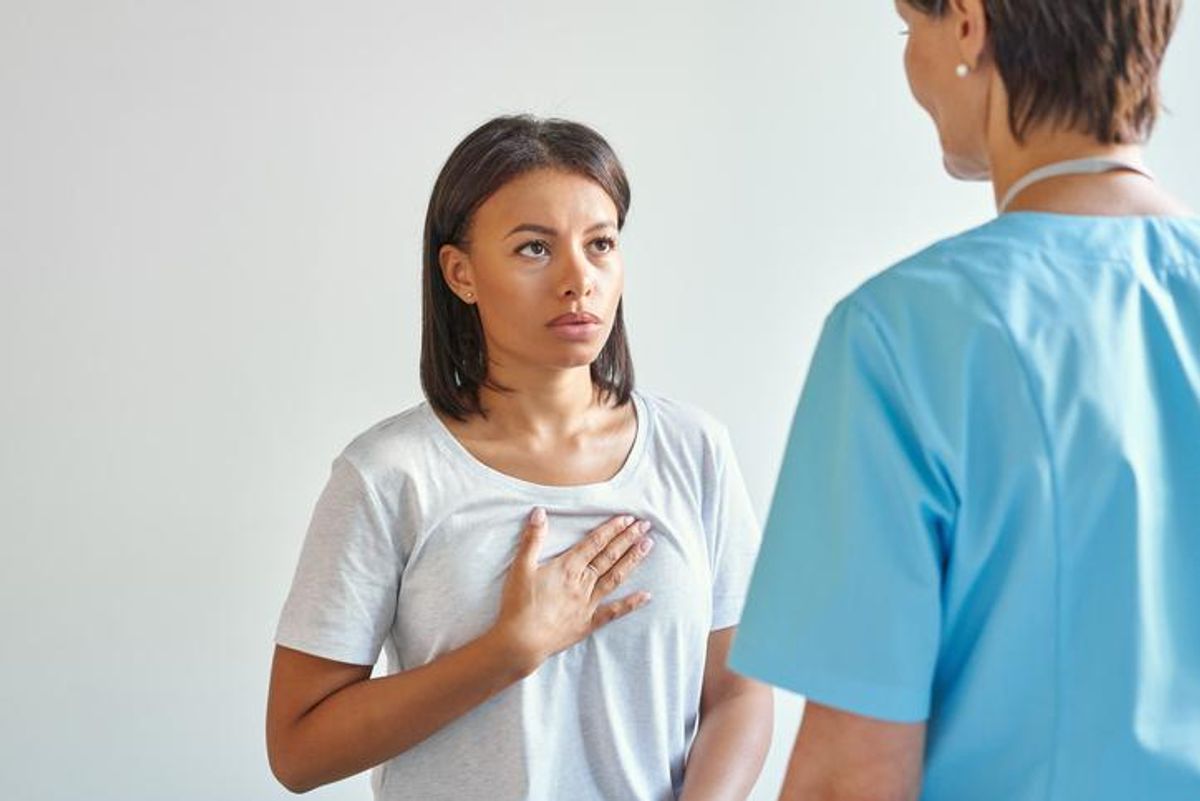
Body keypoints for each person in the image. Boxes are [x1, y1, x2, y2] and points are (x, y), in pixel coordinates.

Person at [729, 1, 1200, 799]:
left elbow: (852, 777)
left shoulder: (901, 334)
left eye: (908, 26)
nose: (911, 60)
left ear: (970, 26)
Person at [266, 114, 772, 800]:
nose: (577, 277)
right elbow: (298, 749)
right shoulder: (389, 474)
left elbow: (739, 693)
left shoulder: (695, 449)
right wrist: (508, 652)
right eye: (535, 248)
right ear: (461, 272)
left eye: (600, 244)